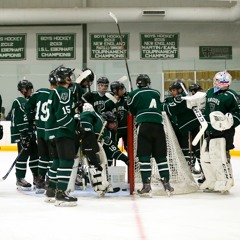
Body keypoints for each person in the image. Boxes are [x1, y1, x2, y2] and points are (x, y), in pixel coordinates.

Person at [127, 74, 174, 197]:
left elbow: (131, 110)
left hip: (144, 126)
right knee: (161, 157)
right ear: (148, 83)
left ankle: (146, 186)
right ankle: (167, 183)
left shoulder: (134, 94)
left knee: (144, 157)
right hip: (158, 125)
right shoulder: (156, 92)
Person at [198, 71, 240, 192]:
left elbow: (237, 114)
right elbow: (203, 107)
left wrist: (230, 121)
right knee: (207, 156)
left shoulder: (231, 95)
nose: (216, 82)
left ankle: (225, 180)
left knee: (222, 156)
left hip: (224, 132)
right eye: (216, 80)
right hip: (209, 130)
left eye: (219, 81)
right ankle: (212, 179)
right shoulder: (210, 92)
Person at [44, 66, 78, 207]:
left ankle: (51, 191)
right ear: (65, 78)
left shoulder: (54, 91)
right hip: (62, 131)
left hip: (52, 132)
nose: (71, 78)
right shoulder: (64, 92)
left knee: (57, 161)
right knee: (66, 161)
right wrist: (74, 126)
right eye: (69, 76)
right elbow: (62, 116)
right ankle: (61, 193)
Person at [24, 69, 57, 193]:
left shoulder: (39, 92)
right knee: (53, 157)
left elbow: (28, 107)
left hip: (40, 131)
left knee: (43, 157)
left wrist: (33, 119)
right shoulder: (57, 94)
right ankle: (50, 180)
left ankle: (40, 180)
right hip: (51, 130)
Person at [77, 103, 120, 196]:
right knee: (96, 166)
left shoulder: (94, 117)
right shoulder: (90, 115)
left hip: (93, 142)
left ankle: (105, 185)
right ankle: (100, 188)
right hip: (91, 142)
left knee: (101, 164)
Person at [162, 80, 202, 174]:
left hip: (184, 130)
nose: (171, 92)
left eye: (174, 90)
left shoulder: (187, 99)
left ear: (180, 90)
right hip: (173, 130)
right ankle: (174, 170)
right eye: (171, 90)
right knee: (172, 150)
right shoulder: (169, 100)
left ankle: (188, 168)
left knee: (188, 149)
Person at [10, 80, 39, 190]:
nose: (31, 91)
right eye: (29, 89)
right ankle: (20, 178)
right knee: (23, 156)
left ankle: (36, 177)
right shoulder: (19, 101)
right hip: (23, 134)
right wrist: (22, 134)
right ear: (23, 90)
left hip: (29, 133)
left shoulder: (28, 101)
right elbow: (19, 119)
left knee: (35, 155)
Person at [104, 81, 129, 152]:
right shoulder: (108, 103)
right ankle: (110, 162)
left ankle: (131, 163)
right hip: (115, 130)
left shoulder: (125, 100)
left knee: (129, 148)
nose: (123, 91)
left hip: (126, 129)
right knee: (113, 149)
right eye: (121, 90)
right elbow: (104, 116)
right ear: (115, 91)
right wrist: (113, 117)